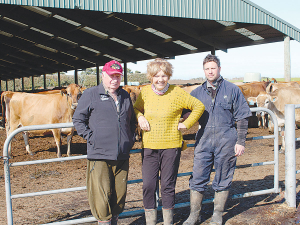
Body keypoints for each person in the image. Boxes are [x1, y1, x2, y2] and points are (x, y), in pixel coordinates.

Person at [133, 58, 205, 225]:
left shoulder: (177, 92)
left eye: (164, 75)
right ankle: (150, 222)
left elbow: (199, 106)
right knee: (149, 185)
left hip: (171, 146)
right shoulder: (144, 92)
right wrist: (140, 116)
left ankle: (168, 222)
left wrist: (186, 124)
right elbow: (136, 108)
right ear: (150, 77)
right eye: (156, 75)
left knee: (167, 185)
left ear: (169, 76)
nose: (160, 79)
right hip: (150, 146)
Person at [183, 54, 252, 225]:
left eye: (213, 68)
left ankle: (217, 214)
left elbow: (243, 117)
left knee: (223, 177)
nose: (210, 71)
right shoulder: (197, 92)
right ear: (204, 71)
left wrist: (240, 141)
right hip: (203, 140)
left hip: (227, 140)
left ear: (219, 69)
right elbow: (184, 113)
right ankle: (194, 215)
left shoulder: (232, 89)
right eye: (207, 69)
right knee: (198, 177)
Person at [72, 60, 136, 225]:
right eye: (111, 76)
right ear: (103, 75)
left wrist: (129, 139)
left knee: (119, 196)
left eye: (117, 76)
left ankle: (114, 220)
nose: (114, 79)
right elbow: (78, 119)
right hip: (99, 155)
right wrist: (92, 137)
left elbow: (132, 121)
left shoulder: (124, 95)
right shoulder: (91, 94)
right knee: (102, 199)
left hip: (121, 155)